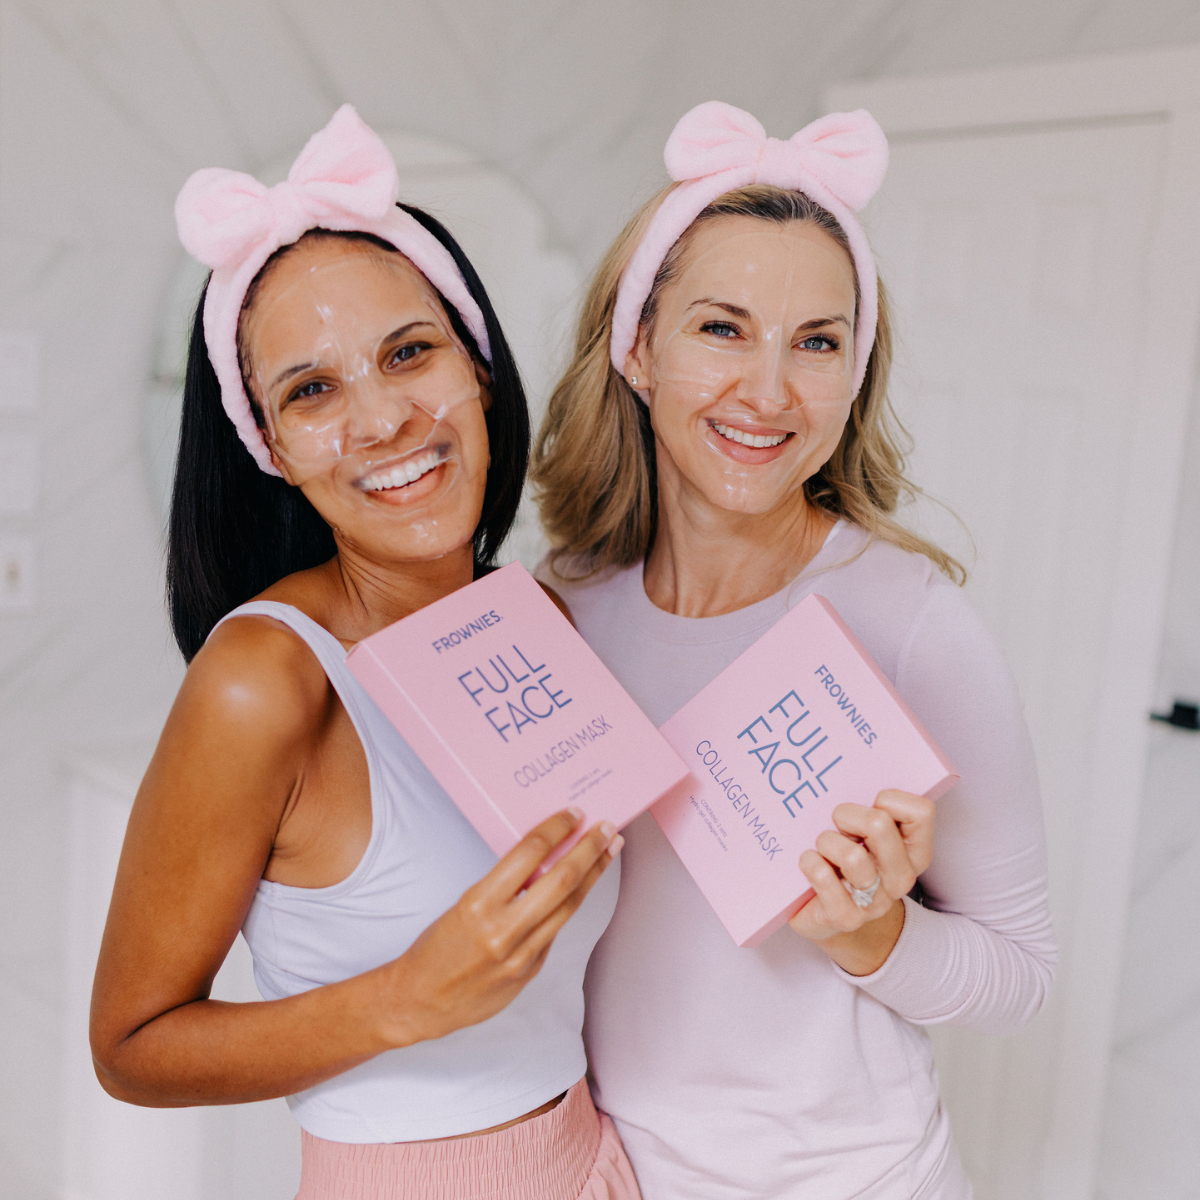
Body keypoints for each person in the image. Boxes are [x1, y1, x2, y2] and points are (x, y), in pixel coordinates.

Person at [90, 106, 640, 1200]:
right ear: (271, 448)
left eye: (408, 352)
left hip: (599, 1164)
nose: (385, 419)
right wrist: (403, 1000)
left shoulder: (535, 619)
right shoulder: (263, 681)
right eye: (312, 390)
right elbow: (132, 1048)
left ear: (477, 367)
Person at [532, 101, 1056, 1198]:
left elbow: (1021, 978)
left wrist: (872, 934)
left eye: (817, 343)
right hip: (616, 1174)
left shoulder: (912, 624)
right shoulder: (569, 605)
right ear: (638, 347)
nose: (769, 392)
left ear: (853, 375)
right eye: (723, 329)